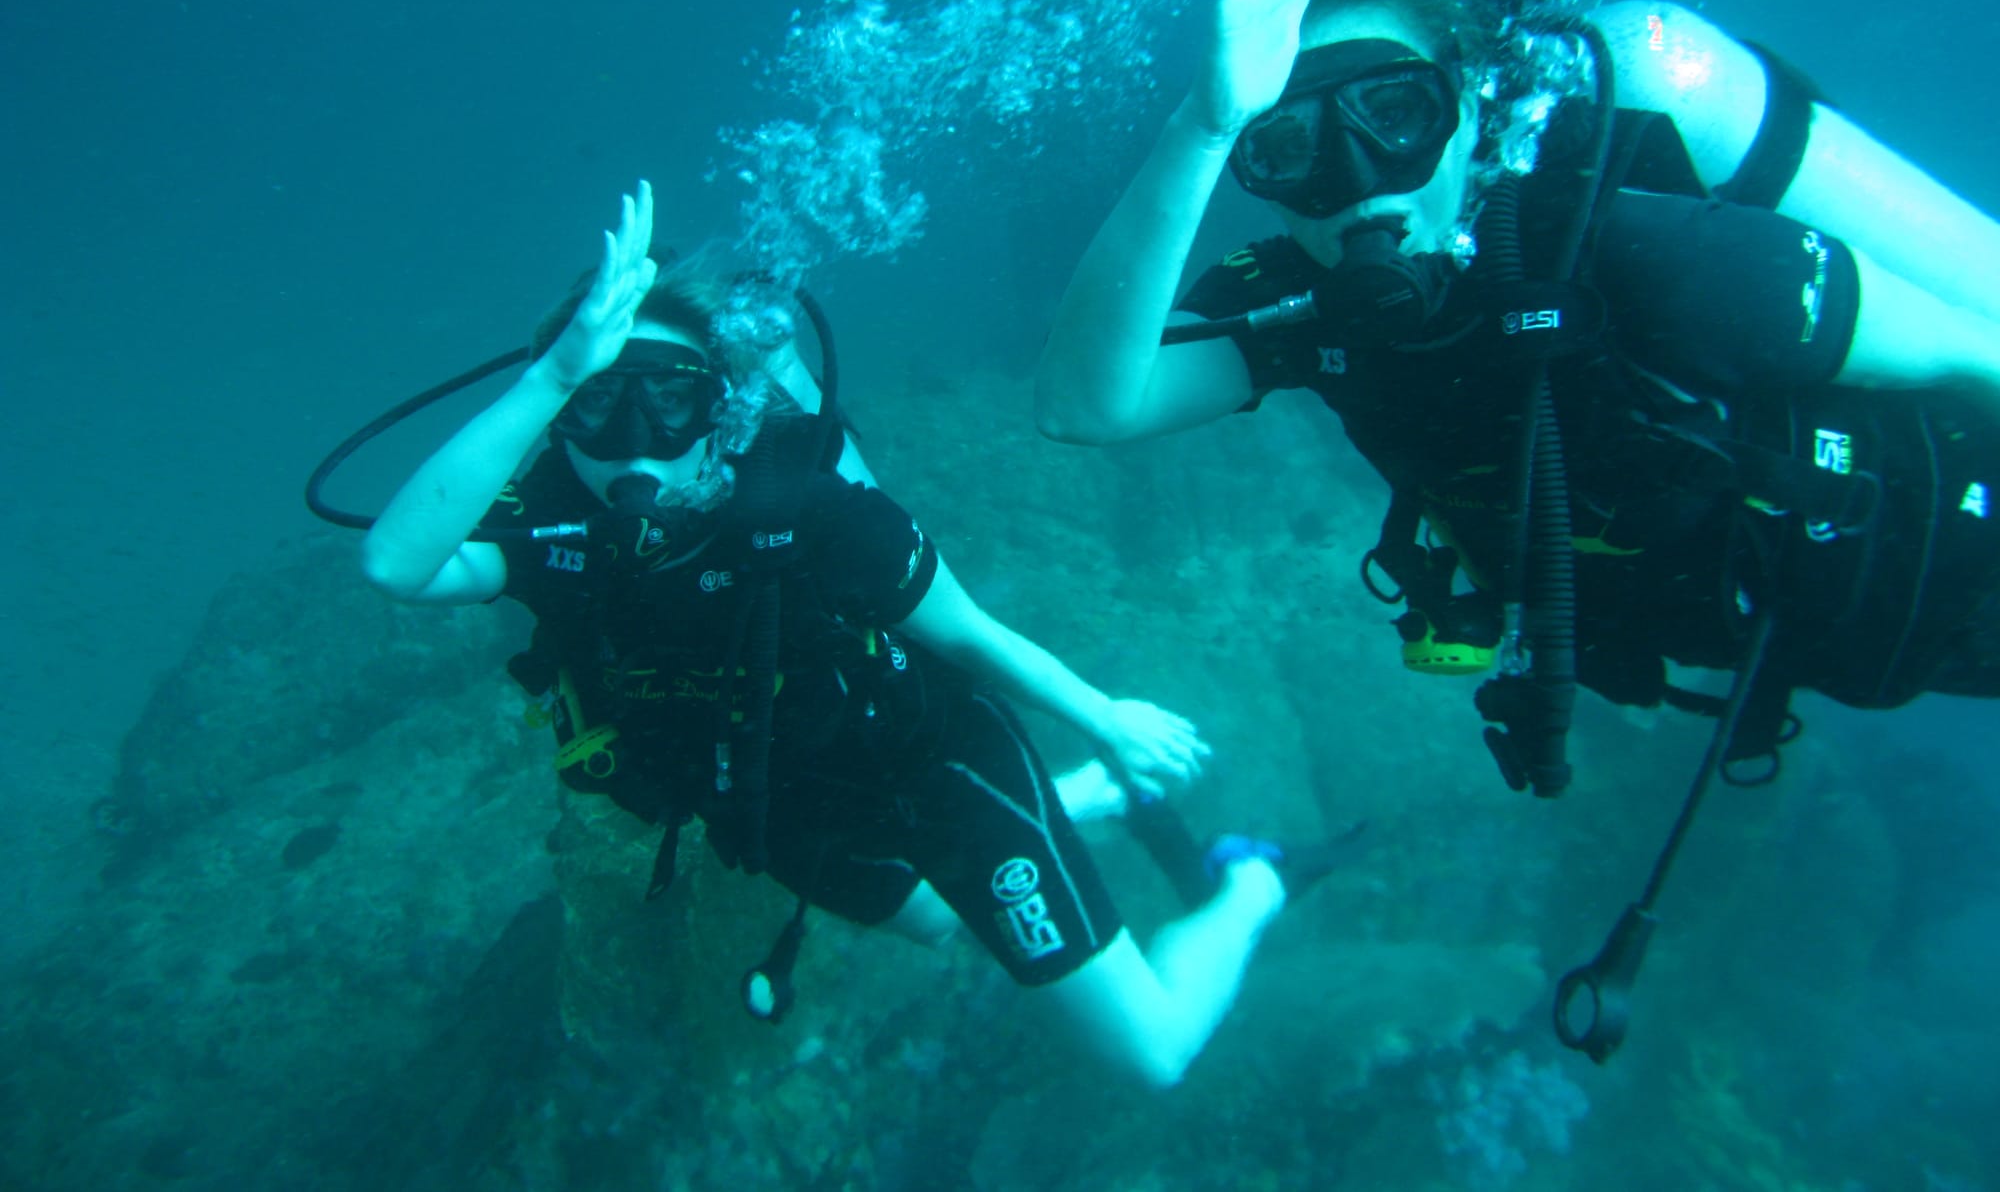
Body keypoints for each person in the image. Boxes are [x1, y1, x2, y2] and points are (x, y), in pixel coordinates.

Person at [1035, 0, 2000, 798]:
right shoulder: (1304, 304)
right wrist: (1200, 126)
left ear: (1465, 98)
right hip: (1836, 639)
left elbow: (1974, 348)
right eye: (1289, 146)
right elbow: (1088, 406)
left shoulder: (1643, 255)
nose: (1361, 182)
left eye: (1396, 114)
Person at [360, 180, 1332, 1091]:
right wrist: (552, 373)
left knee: (1149, 1051)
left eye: (670, 400)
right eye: (595, 404)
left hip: (928, 768)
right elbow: (395, 565)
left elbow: (968, 636)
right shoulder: (554, 528)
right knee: (931, 922)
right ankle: (1086, 801)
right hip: (775, 811)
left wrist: (1104, 715)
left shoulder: (805, 510)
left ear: (720, 407)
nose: (636, 444)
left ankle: (1248, 883)